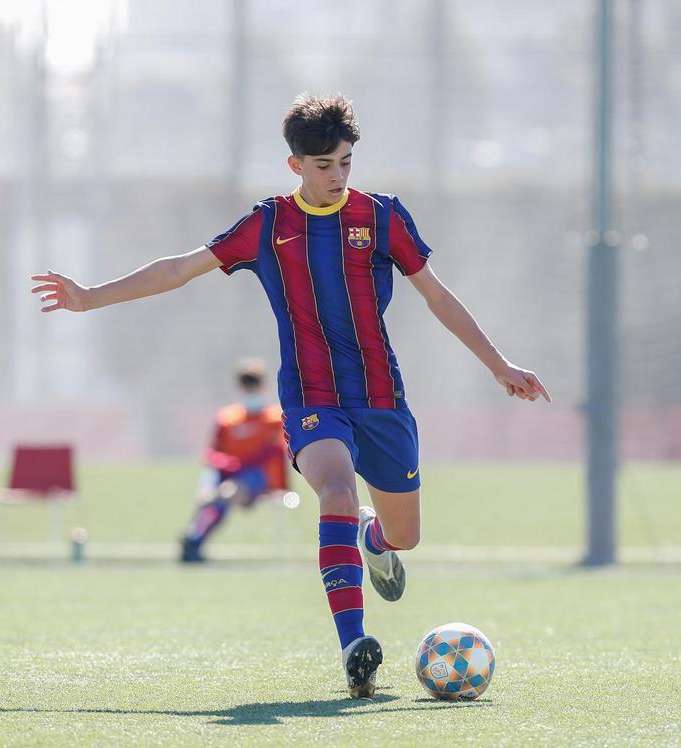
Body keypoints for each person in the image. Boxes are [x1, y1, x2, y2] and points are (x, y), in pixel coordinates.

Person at [30, 93, 550, 698]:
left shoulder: (382, 217)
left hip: (381, 398)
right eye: (324, 164)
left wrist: (498, 364)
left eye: (346, 163)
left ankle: (374, 539)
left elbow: (436, 295)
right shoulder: (268, 224)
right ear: (295, 165)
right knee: (335, 489)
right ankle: (355, 643)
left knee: (404, 535)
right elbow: (177, 269)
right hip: (310, 398)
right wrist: (90, 296)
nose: (337, 176)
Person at [179, 358, 289, 564]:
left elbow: (274, 451)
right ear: (239, 386)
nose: (250, 388)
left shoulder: (275, 418)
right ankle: (194, 543)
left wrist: (239, 466)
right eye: (246, 382)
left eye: (254, 382)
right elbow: (211, 452)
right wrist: (226, 465)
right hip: (226, 474)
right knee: (212, 489)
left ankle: (195, 539)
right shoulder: (226, 418)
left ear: (263, 385)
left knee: (226, 493)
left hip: (258, 477)